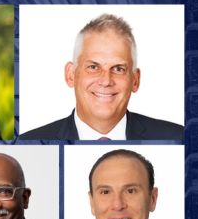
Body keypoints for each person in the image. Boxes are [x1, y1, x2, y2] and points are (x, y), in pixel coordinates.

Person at [20, 14, 183, 140]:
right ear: (71, 75)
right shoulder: (30, 142)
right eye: (93, 67)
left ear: (135, 80)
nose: (106, 81)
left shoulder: (177, 137)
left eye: (118, 69)